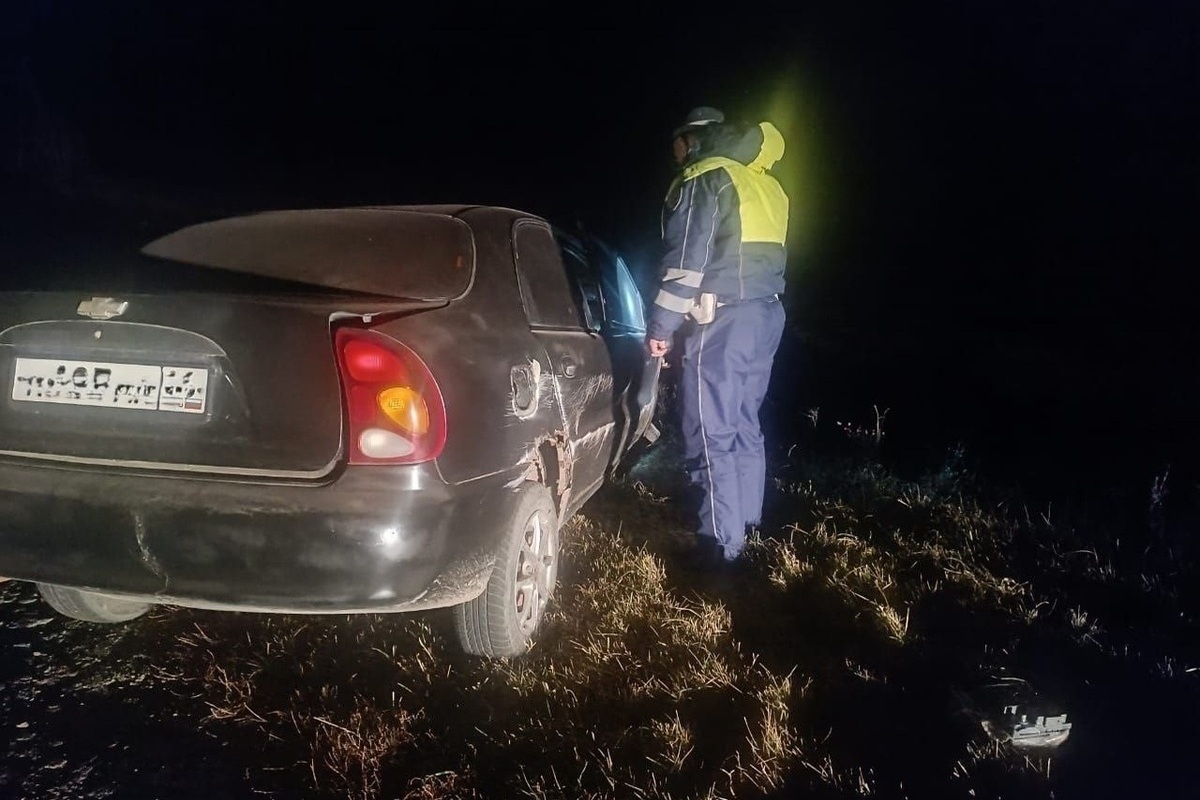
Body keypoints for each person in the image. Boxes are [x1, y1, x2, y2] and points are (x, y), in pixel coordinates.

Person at [646, 106, 790, 568]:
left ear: (697, 139)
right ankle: (747, 527)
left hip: (722, 322)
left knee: (708, 431)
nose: (677, 153)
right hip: (766, 316)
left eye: (679, 143)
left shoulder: (705, 177)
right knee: (745, 422)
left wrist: (661, 329)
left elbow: (686, 263)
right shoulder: (764, 183)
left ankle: (718, 552)